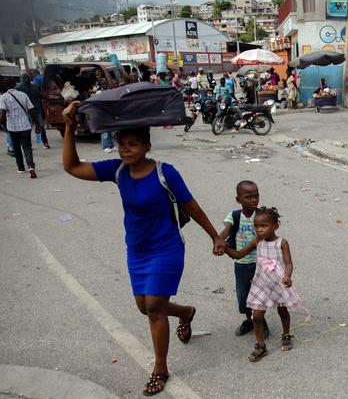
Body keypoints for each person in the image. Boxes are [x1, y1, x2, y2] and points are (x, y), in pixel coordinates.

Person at [62, 101, 227, 395]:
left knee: (153, 308)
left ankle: (160, 368)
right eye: (122, 145)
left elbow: (192, 206)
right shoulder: (117, 170)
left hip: (166, 248)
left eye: (133, 145)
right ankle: (187, 312)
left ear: (147, 146)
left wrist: (215, 236)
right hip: (137, 250)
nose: (126, 150)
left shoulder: (165, 173)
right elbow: (72, 167)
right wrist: (70, 128)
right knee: (145, 307)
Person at [226, 207, 303, 362]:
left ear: (275, 226)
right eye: (256, 226)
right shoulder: (257, 242)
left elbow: (288, 263)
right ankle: (261, 346)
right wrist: (225, 248)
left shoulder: (282, 243)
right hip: (261, 283)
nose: (259, 230)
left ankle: (286, 333)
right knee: (257, 316)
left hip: (278, 282)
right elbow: (240, 255)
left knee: (282, 310)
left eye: (263, 226)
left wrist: (287, 276)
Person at [219, 181, 270, 338]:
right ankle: (250, 320)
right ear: (238, 199)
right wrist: (219, 243)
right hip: (241, 264)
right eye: (248, 197)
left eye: (256, 196)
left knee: (259, 295)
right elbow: (225, 231)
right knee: (243, 296)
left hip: (260, 263)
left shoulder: (261, 215)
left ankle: (260, 321)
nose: (253, 200)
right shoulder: (234, 216)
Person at [0, 77, 42, 179]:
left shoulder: (4, 97)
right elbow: (32, 110)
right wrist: (38, 124)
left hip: (12, 127)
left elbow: (2, 112)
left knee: (16, 148)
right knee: (27, 147)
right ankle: (31, 167)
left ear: (6, 86)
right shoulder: (23, 95)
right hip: (25, 125)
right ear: (15, 85)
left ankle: (21, 168)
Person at [15, 73, 50, 149]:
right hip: (28, 111)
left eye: (27, 77)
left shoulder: (32, 86)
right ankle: (31, 145)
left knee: (37, 127)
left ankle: (44, 142)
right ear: (23, 79)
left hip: (35, 110)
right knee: (30, 128)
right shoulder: (19, 88)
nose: (27, 79)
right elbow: (40, 95)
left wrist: (47, 98)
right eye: (25, 78)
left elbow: (39, 95)